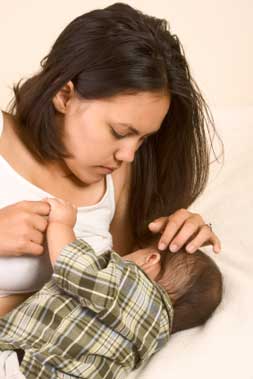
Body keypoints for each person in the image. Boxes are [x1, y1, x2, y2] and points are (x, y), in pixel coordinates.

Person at [0, 0, 223, 368]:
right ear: (65, 95)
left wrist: (179, 235)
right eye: (120, 132)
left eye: (142, 139)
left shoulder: (113, 181)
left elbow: (122, 287)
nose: (129, 155)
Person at [0, 197, 222, 379]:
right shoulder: (155, 336)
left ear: (150, 259)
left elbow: (76, 269)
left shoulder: (130, 282)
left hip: (28, 368)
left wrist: (62, 225)